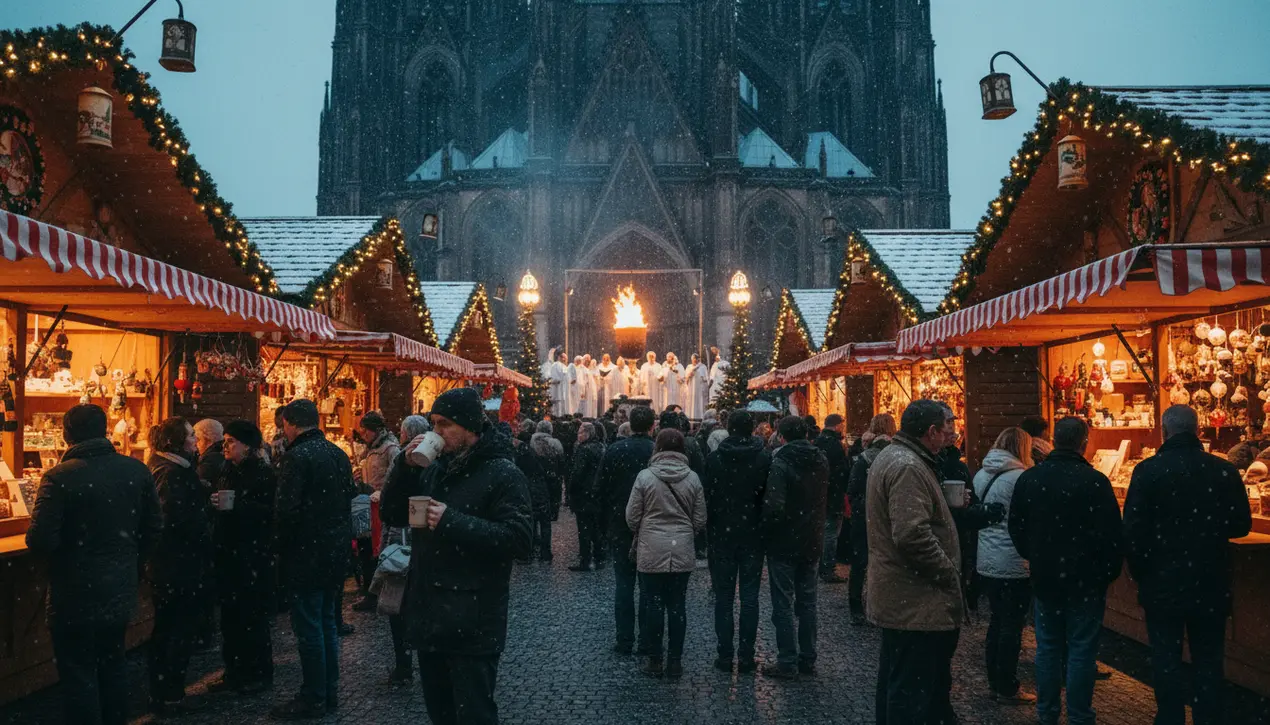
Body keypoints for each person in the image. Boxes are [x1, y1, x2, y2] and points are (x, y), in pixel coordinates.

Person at [380, 387, 533, 725]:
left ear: (470, 428)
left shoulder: (503, 473)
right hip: (429, 615)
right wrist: (404, 468)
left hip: (473, 621)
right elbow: (392, 513)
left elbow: (520, 540)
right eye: (433, 424)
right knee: (441, 714)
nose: (437, 433)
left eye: (444, 424)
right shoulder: (434, 468)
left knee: (474, 715)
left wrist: (452, 521)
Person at [26, 404, 161, 725]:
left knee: (78, 672)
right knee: (112, 663)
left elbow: (40, 539)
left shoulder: (59, 478)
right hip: (119, 587)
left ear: (66, 434)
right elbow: (154, 528)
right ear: (104, 431)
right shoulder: (136, 470)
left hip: (73, 592)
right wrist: (131, 559)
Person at [1124, 405, 1252, 725]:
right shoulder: (1222, 471)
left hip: (1162, 582)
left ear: (1164, 432)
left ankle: (1170, 717)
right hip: (1210, 581)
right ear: (1198, 431)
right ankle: (1208, 717)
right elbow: (1240, 525)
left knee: (1166, 658)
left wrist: (1143, 574)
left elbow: (1133, 532)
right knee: (1208, 660)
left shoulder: (1148, 472)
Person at [1009, 416, 1123, 725]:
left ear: (1054, 440)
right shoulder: (1095, 482)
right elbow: (1113, 535)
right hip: (1086, 580)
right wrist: (1105, 573)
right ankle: (1079, 715)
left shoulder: (1032, 478)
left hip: (1046, 576)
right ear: (1083, 443)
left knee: (1048, 647)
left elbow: (1016, 527)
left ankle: (1047, 714)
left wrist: (1034, 556)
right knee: (1082, 650)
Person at [866, 400, 963, 725]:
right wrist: (947, 572)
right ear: (931, 431)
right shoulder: (907, 465)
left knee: (900, 686)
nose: (948, 433)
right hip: (915, 601)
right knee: (911, 692)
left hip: (904, 599)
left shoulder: (895, 457)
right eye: (944, 427)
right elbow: (910, 534)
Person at [271, 399, 357, 719]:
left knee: (309, 628)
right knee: (325, 623)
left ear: (290, 424)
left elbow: (287, 512)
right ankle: (329, 690)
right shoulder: (337, 454)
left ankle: (314, 695)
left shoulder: (296, 458)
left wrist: (279, 547)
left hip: (306, 553)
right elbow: (347, 497)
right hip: (333, 551)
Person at [146, 416, 214, 716]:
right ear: (175, 442)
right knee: (175, 629)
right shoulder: (171, 473)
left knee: (171, 628)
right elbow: (173, 519)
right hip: (176, 564)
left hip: (173, 564)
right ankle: (169, 694)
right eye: (190, 436)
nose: (194, 441)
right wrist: (203, 514)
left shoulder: (171, 469)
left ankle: (166, 691)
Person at [626, 428, 707, 679]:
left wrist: (647, 529)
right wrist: (683, 532)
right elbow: (700, 517)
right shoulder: (692, 477)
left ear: (657, 447)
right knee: (677, 606)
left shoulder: (645, 477)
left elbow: (631, 516)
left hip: (651, 547)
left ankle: (654, 658)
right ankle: (675, 661)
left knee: (653, 604)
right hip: (680, 547)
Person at [208, 420, 277, 695]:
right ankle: (234, 671)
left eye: (232, 441)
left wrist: (239, 506)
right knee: (231, 618)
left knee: (252, 618)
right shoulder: (226, 469)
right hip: (229, 554)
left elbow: (268, 512)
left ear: (247, 446)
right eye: (225, 440)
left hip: (251, 555)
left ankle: (258, 673)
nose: (226, 446)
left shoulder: (262, 473)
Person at [759, 415, 829, 680]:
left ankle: (787, 660)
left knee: (783, 603)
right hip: (812, 538)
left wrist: (768, 531)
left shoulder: (781, 461)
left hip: (785, 542)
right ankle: (808, 657)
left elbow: (774, 506)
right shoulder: (820, 459)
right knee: (808, 602)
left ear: (782, 435)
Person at [702, 410, 770, 673]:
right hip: (752, 534)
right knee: (750, 598)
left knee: (724, 597)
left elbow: (707, 494)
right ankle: (746, 656)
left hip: (722, 534)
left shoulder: (716, 459)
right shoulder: (763, 458)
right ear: (751, 428)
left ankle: (724, 654)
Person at [973, 427, 1037, 705]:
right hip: (1013, 561)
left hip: (986, 559)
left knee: (997, 622)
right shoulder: (1021, 478)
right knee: (1011, 625)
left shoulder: (981, 474)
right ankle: (1007, 685)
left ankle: (994, 681)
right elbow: (1028, 520)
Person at [597, 405, 657, 655]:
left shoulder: (614, 450)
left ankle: (624, 640)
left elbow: (599, 489)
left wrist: (606, 523)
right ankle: (646, 640)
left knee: (623, 584)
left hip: (621, 525)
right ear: (652, 426)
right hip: (652, 526)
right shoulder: (657, 451)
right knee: (648, 586)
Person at [378, 415, 431, 685]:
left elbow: (390, 505)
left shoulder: (406, 461)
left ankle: (404, 664)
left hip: (404, 538)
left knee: (399, 602)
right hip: (419, 538)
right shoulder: (434, 458)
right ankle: (413, 661)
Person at [846, 413, 895, 625]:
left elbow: (852, 489)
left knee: (860, 563)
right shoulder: (897, 456)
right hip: (889, 516)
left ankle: (856, 606)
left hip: (864, 517)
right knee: (888, 561)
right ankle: (886, 606)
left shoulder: (864, 457)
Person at [353, 412, 401, 612]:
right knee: (365, 547)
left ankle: (374, 593)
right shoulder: (370, 449)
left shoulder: (390, 448)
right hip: (366, 504)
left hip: (378, 506)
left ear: (376, 430)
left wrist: (382, 492)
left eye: (366, 428)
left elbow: (395, 475)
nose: (362, 433)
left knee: (374, 549)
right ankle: (369, 591)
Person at [813, 414, 850, 584]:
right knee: (831, 533)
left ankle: (820, 565)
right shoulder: (835, 444)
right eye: (842, 425)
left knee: (823, 531)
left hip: (820, 494)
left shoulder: (818, 442)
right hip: (833, 495)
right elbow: (841, 473)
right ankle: (827, 568)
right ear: (837, 425)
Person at [570, 421, 607, 571]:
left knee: (584, 529)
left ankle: (585, 560)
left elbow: (577, 473)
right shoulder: (601, 447)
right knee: (596, 527)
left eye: (580, 432)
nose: (578, 435)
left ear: (587, 433)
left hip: (584, 494)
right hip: (596, 493)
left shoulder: (583, 449)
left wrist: (572, 489)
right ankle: (599, 556)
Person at [530, 420, 566, 561]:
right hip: (551, 484)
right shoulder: (556, 444)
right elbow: (561, 465)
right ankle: (546, 551)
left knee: (532, 518)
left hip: (534, 483)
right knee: (546, 521)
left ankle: (531, 548)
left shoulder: (531, 443)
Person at [195, 418, 226, 482]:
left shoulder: (209, 461)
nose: (195, 445)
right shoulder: (226, 453)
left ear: (208, 439)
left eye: (197, 440)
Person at [683, 354, 709, 422]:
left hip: (699, 389)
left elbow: (705, 378)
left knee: (699, 402)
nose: (694, 361)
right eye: (693, 359)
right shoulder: (689, 366)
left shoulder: (703, 367)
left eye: (696, 359)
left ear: (698, 359)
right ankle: (690, 416)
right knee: (691, 402)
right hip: (691, 388)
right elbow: (686, 378)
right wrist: (690, 374)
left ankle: (700, 417)